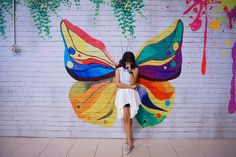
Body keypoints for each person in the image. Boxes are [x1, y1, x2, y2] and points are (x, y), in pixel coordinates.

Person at [115, 51, 141, 154]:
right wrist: (130, 87)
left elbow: (133, 82)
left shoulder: (135, 69)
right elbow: (117, 84)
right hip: (123, 95)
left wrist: (130, 71)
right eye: (127, 61)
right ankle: (129, 142)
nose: (128, 63)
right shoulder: (118, 70)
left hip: (131, 96)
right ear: (124, 60)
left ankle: (128, 140)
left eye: (130, 61)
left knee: (129, 118)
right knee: (126, 117)